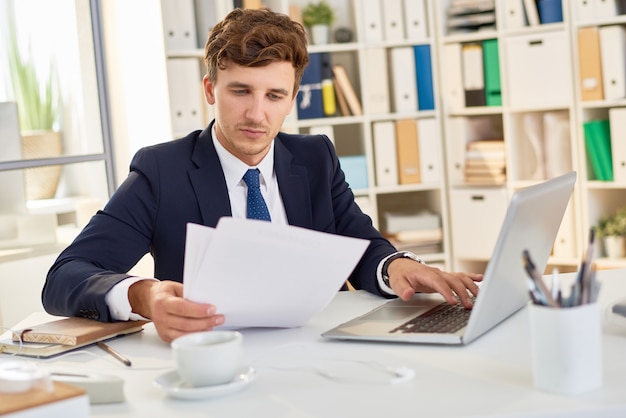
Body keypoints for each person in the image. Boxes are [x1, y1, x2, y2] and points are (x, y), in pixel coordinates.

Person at [42, 8, 482, 343]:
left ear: (292, 100)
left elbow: (359, 245)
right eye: (240, 91)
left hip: (314, 348)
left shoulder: (315, 158)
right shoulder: (164, 170)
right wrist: (144, 295)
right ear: (211, 89)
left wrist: (397, 266)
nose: (257, 114)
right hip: (215, 356)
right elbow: (66, 275)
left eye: (274, 95)